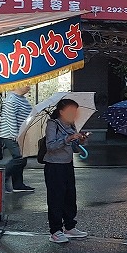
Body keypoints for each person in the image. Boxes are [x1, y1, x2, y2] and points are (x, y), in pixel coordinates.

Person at [44, 98, 90, 243]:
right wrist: (68, 138)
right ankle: (55, 231)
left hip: (67, 165)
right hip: (54, 166)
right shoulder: (52, 124)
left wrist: (81, 140)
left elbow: (75, 148)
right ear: (62, 112)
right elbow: (50, 146)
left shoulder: (72, 125)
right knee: (56, 198)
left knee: (70, 196)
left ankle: (70, 227)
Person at [0, 86, 34, 194]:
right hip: (10, 135)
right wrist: (16, 136)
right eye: (26, 84)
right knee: (19, 158)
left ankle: (18, 185)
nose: (29, 86)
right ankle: (1, 179)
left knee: (22, 159)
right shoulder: (11, 99)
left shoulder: (22, 99)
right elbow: (11, 120)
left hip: (20, 135)